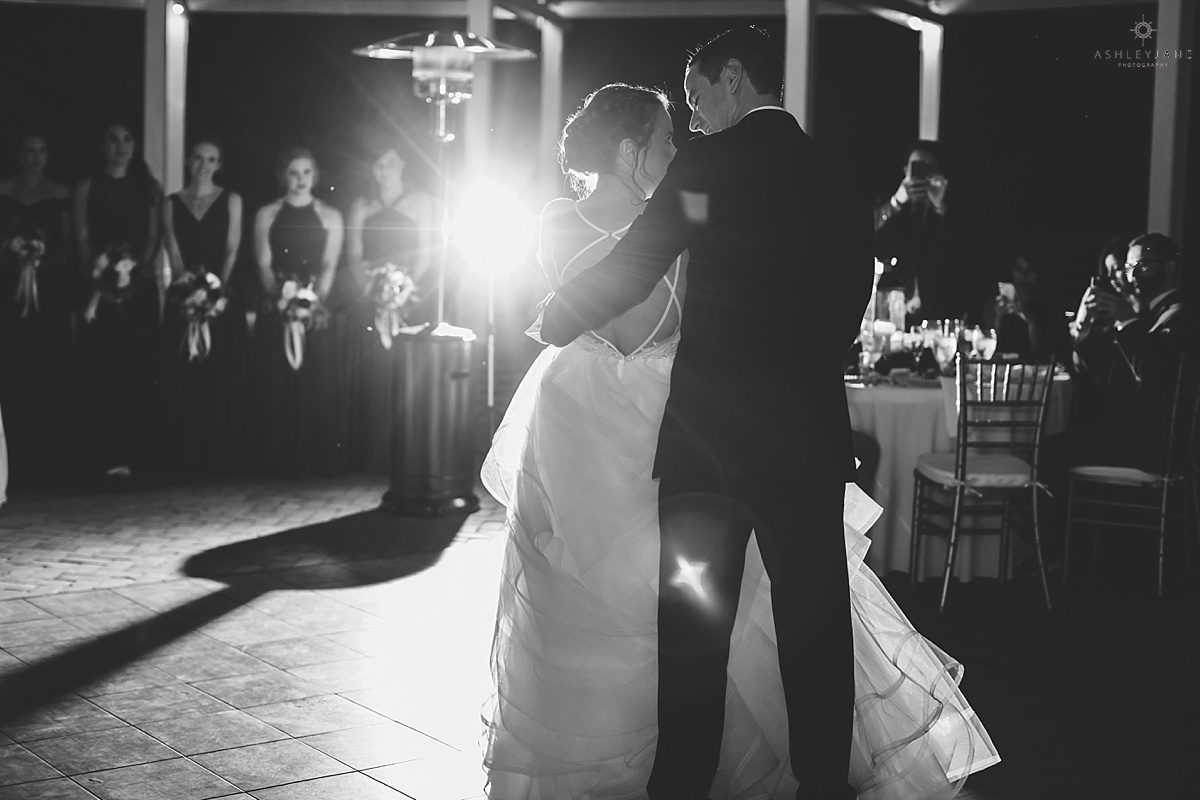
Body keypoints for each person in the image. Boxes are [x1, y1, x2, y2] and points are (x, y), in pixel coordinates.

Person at [532, 30, 998, 800]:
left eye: (698, 97)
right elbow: (855, 286)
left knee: (692, 629)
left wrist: (552, 317)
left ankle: (680, 785)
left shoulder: (707, 164)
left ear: (735, 79)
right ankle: (822, 784)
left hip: (705, 446)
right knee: (816, 626)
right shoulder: (834, 168)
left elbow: (636, 263)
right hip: (805, 440)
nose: (693, 116)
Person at [73, 122, 163, 479]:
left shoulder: (147, 188)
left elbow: (153, 239)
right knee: (102, 367)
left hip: (137, 289)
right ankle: (102, 454)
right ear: (102, 145)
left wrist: (132, 271)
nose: (120, 146)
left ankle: (139, 454)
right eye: (113, 138)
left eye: (127, 139)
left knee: (137, 368)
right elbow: (81, 236)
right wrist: (101, 274)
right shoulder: (87, 186)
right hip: (98, 290)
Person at [252, 147, 347, 476]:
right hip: (278, 306)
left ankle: (313, 460)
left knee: (313, 383)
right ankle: (275, 459)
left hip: (314, 311)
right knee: (275, 382)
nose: (300, 180)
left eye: (306, 172)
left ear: (315, 176)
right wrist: (282, 300)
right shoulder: (267, 213)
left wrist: (311, 301)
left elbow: (330, 264)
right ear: (283, 176)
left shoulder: (331, 216)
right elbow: (264, 263)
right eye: (293, 172)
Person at [343, 141, 434, 472]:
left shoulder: (420, 202)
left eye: (391, 163)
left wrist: (402, 290)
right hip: (370, 297)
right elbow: (354, 255)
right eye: (379, 164)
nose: (385, 170)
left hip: (409, 299)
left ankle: (408, 453)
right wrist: (373, 290)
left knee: (408, 373)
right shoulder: (362, 205)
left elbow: (426, 252)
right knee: (372, 373)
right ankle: (368, 455)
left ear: (403, 164)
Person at [160, 137, 247, 474]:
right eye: (198, 158)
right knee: (183, 372)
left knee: (219, 375)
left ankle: (218, 456)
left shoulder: (231, 200)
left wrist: (214, 292)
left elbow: (232, 247)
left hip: (219, 299)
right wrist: (187, 291)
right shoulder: (171, 202)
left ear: (218, 165)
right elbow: (173, 248)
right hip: (184, 296)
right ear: (188, 161)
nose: (204, 165)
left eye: (211, 159)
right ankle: (183, 454)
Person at [1072, 233, 1191, 471]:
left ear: (1169, 267)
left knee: (1070, 441)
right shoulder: (1147, 315)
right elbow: (1098, 367)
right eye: (1128, 267)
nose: (1132, 275)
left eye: (1142, 265)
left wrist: (1127, 320)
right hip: (1124, 433)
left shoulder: (1179, 314)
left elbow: (1154, 375)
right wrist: (1084, 325)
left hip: (1148, 446)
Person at [0, 131, 74, 486]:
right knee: (12, 367)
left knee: (46, 367)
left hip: (49, 291)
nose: (35, 157)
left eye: (42, 151)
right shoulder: (4, 190)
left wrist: (41, 258)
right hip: (9, 290)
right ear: (19, 154)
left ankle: (45, 459)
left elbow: (69, 243)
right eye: (29, 151)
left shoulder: (60, 193)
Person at [874, 141, 961, 323]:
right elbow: (868, 237)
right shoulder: (893, 206)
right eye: (917, 167)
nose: (922, 173)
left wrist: (940, 207)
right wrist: (896, 201)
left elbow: (957, 254)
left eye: (929, 168)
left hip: (937, 313)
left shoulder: (950, 209)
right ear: (906, 169)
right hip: (893, 309)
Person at [983, 247, 1070, 363]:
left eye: (1030, 270)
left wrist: (1030, 321)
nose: (1023, 276)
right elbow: (986, 352)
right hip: (1000, 370)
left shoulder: (1050, 307)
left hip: (1035, 373)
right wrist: (999, 317)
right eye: (1018, 269)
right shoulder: (993, 304)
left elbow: (1044, 355)